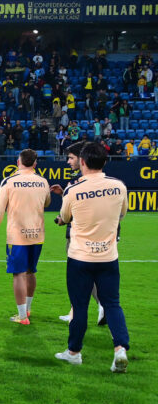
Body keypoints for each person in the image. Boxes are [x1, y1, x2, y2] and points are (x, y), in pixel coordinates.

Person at [54, 142, 130, 372]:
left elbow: (64, 217)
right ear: (105, 162)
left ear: (83, 162)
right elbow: (122, 214)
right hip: (108, 257)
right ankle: (120, 349)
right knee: (113, 304)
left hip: (80, 257)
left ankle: (74, 352)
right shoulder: (119, 186)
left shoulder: (73, 189)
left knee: (79, 306)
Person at [0, 149, 52, 325]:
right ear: (35, 164)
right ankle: (28, 309)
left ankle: (22, 316)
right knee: (31, 271)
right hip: (37, 234)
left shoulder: (9, 181)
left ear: (18, 162)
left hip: (17, 235)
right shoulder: (43, 181)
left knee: (18, 274)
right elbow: (46, 202)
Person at [55, 142, 106, 326]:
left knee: (80, 275)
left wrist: (62, 215)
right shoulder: (95, 180)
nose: (68, 161)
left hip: (78, 234)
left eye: (71, 158)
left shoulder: (79, 181)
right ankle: (74, 312)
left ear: (81, 159)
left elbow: (68, 214)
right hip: (98, 232)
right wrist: (64, 194)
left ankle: (102, 305)